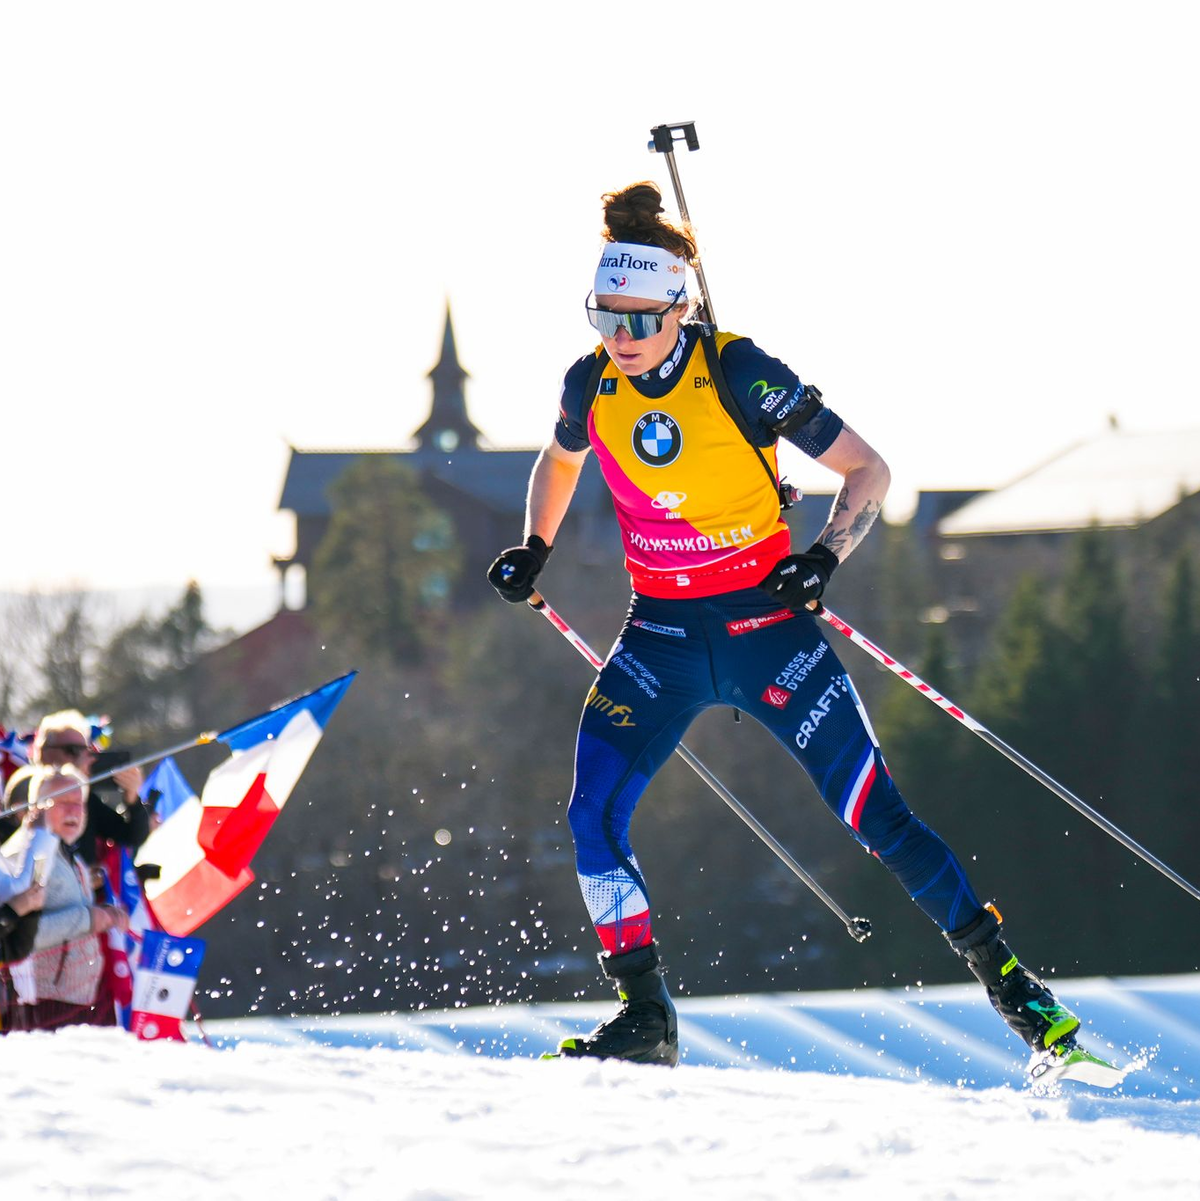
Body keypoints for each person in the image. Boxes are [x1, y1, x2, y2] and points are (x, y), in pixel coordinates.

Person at [487, 181, 1082, 1067]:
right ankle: (644, 1014)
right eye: (604, 317)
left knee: (876, 815)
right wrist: (532, 544)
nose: (620, 338)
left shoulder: (738, 369)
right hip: (660, 639)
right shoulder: (591, 383)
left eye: (639, 320)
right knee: (590, 817)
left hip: (769, 629)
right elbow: (559, 456)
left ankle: (1014, 989)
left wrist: (826, 556)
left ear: (677, 307)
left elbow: (869, 470)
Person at [1, 765, 128, 1030]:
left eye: (78, 802)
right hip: (39, 1006)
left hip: (73, 1002)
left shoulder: (69, 853)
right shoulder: (23, 854)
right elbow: (17, 934)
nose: (74, 811)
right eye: (62, 802)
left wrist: (102, 913)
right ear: (35, 808)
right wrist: (91, 919)